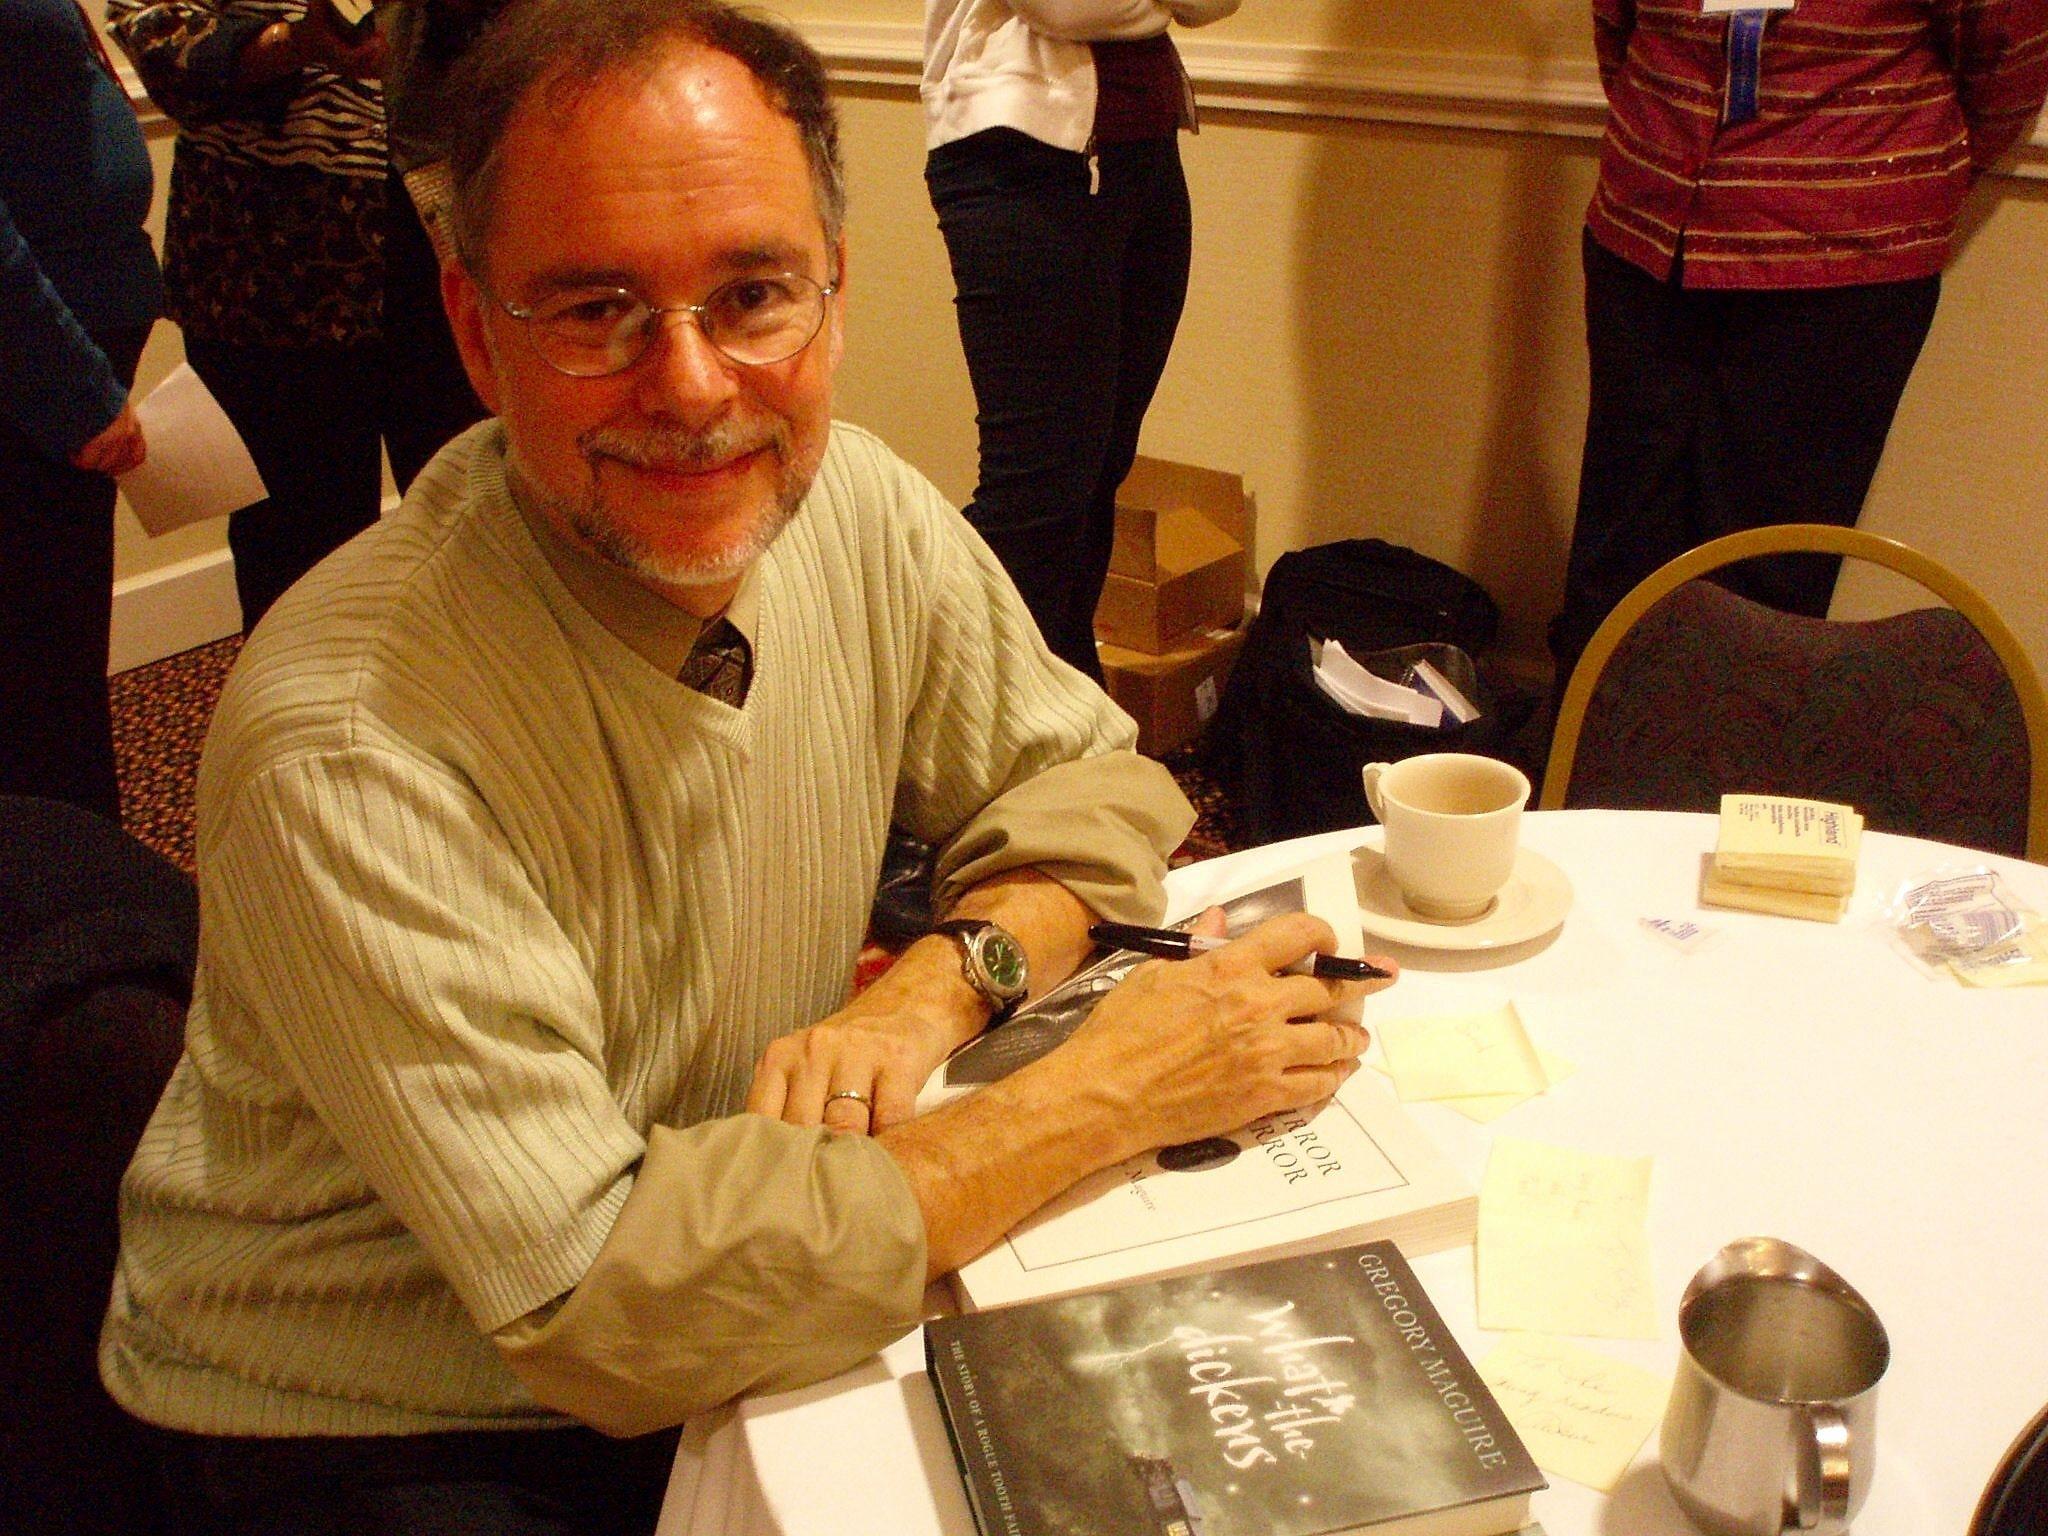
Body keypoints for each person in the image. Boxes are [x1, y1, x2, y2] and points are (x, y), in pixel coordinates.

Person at [100, 3, 1387, 1529]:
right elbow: (600, 1300)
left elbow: (1089, 782)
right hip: (389, 1402)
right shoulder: (350, 742)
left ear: (834, 300)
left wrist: (947, 974)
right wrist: (1100, 1097)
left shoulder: (850, 503)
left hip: (717, 1225)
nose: (697, 387)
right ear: (472, 330)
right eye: (594, 311)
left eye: (754, 295)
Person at [1547, 0, 2048, 697]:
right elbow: (1618, 23)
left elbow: (2005, 52)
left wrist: (1864, 175)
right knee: (1614, 562)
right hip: (1647, 225)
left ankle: (1723, 793)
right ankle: (1586, 783)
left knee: (1766, 585)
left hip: (1838, 263)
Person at [106, 0, 470, 629]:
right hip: (271, 269)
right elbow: (158, 39)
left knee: (477, 526)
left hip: (452, 244)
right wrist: (295, 45)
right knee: (300, 561)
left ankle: (483, 721)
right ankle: (303, 723)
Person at [921, 0, 1239, 684]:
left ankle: (1064, 718)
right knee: (1039, 492)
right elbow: (1068, 6)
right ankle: (948, 730)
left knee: (1097, 472)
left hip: (1144, 153)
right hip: (1021, 161)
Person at [0, 0, 163, 823]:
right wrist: (74, 393)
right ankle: (78, 931)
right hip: (33, 378)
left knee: (53, 666)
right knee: (40, 683)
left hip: (63, 349)